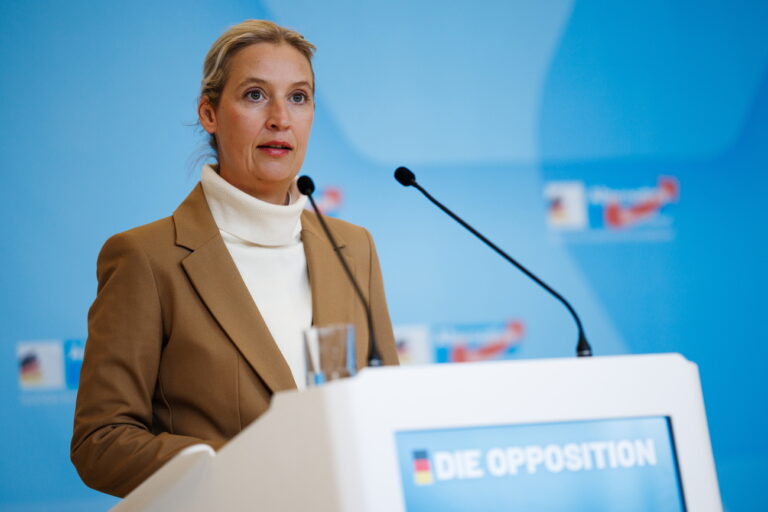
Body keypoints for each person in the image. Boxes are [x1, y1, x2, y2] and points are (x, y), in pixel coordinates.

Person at [70, 20, 399, 498]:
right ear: (209, 113)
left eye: (299, 97)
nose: (280, 119)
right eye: (255, 95)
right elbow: (101, 443)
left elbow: (386, 409)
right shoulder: (147, 258)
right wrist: (246, 466)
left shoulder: (353, 248)